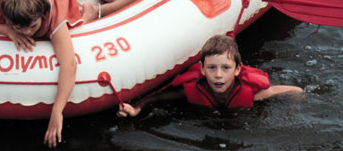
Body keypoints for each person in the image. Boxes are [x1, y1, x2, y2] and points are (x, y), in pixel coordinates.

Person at [0, 0, 86, 148]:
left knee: (75, 19)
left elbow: (69, 64)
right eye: (19, 28)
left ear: (41, 15)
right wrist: (8, 31)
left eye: (32, 27)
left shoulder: (53, 16)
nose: (27, 33)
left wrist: (57, 110)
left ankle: (90, 11)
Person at [117, 35, 304, 117]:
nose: (218, 75)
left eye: (226, 68)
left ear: (237, 69)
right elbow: (155, 98)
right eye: (212, 68)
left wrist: (292, 111)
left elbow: (296, 90)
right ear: (203, 69)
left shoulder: (253, 93)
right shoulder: (193, 89)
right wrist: (136, 109)